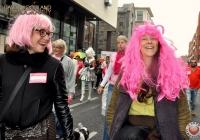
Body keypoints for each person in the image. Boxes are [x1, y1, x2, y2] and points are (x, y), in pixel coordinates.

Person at [107, 21, 191, 140]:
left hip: (163, 132)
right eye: (144, 39)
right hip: (129, 134)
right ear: (138, 44)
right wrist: (113, 131)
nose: (149, 42)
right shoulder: (127, 73)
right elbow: (113, 107)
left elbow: (183, 112)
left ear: (159, 43)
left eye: (153, 38)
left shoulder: (171, 73)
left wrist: (182, 136)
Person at [0, 13, 74, 139]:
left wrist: (69, 136)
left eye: (49, 33)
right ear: (25, 30)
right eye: (41, 32)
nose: (46, 38)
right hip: (7, 135)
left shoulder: (53, 66)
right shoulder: (3, 62)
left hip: (41, 134)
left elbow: (61, 105)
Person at [97, 35, 128, 140]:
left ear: (127, 44)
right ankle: (106, 138)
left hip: (124, 88)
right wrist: (101, 85)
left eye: (122, 42)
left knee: (122, 114)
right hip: (112, 86)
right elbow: (109, 72)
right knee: (108, 113)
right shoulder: (114, 56)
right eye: (118, 43)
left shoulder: (130, 56)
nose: (120, 45)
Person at [52, 39, 75, 137]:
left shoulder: (68, 61)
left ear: (62, 49)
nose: (55, 49)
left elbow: (71, 78)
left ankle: (61, 134)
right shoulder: (49, 58)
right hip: (49, 91)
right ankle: (54, 133)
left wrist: (70, 93)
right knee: (51, 114)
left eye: (58, 47)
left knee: (59, 114)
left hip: (62, 92)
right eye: (54, 47)